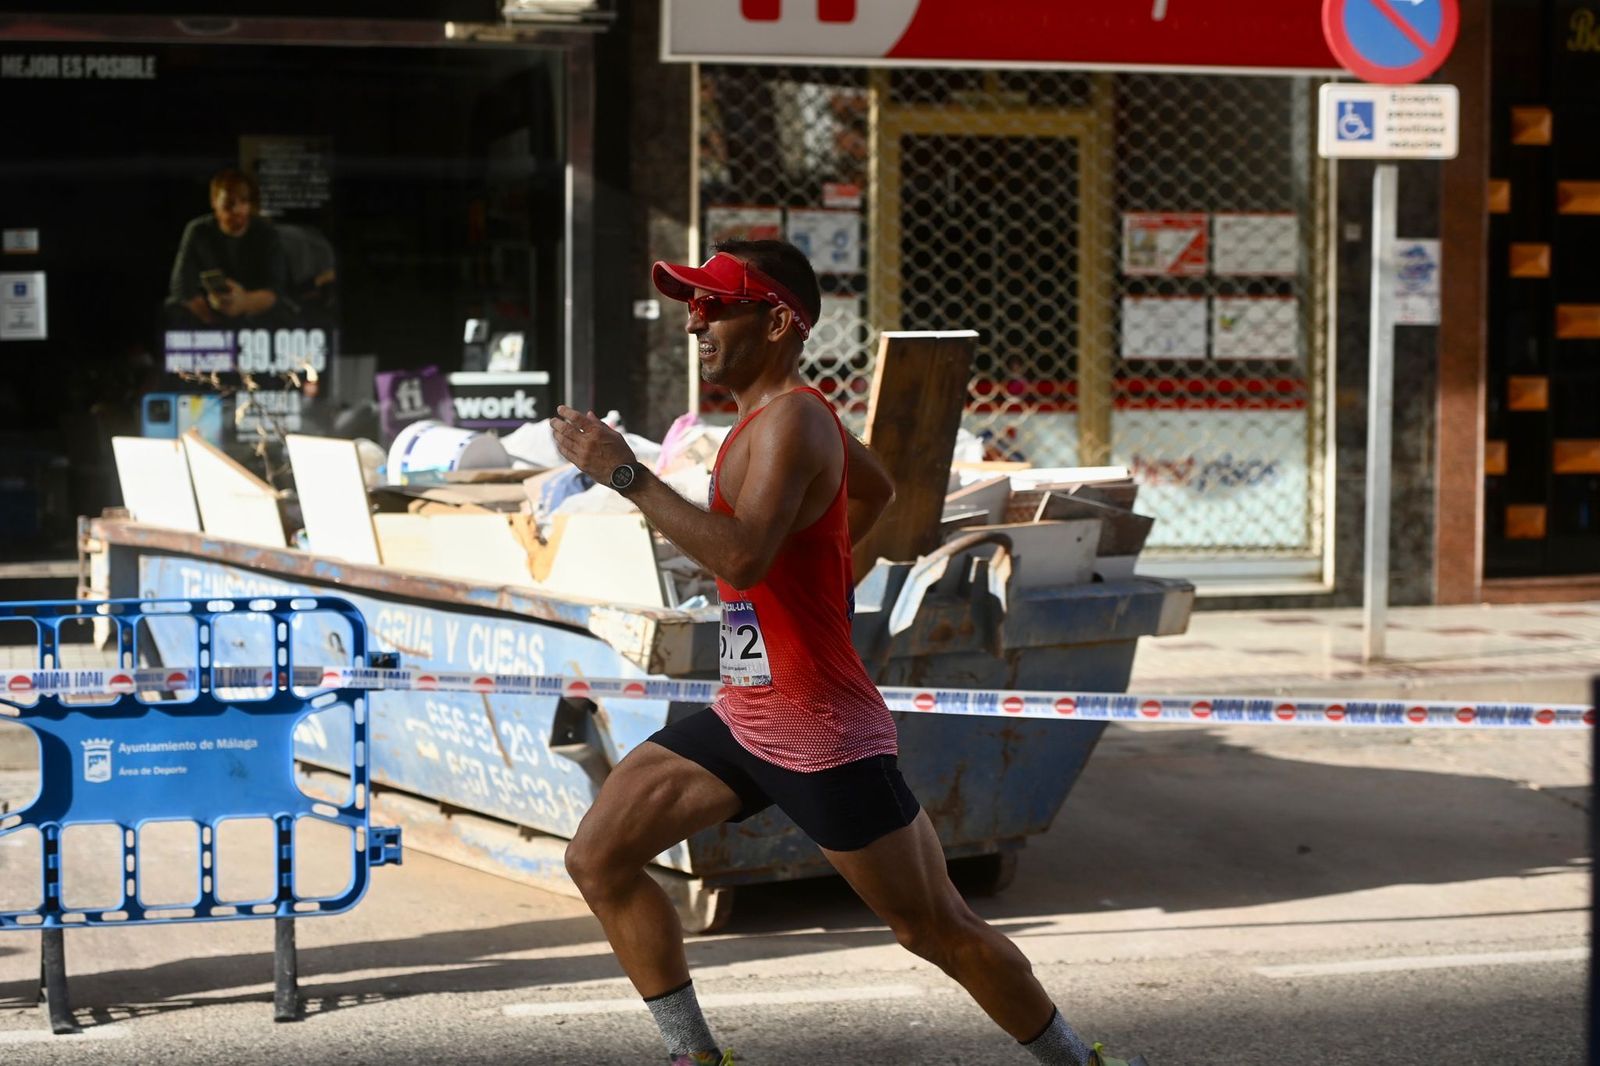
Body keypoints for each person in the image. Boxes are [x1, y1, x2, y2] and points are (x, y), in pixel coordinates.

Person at [550, 240, 1148, 1066]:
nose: (695, 323)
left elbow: (741, 558)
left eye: (715, 305)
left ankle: (1082, 1063)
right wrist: (826, 583)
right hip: (748, 713)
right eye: (692, 306)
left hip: (820, 731)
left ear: (777, 321)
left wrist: (627, 475)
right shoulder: (774, 419)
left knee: (935, 928)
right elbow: (877, 490)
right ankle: (697, 1057)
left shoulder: (794, 420)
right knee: (598, 858)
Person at [165, 169, 288, 326]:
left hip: (252, 309)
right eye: (229, 203)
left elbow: (276, 289)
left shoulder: (266, 232)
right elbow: (181, 285)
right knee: (172, 309)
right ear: (214, 201)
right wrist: (209, 318)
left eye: (243, 201)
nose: (236, 210)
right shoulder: (198, 231)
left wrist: (244, 302)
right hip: (208, 311)